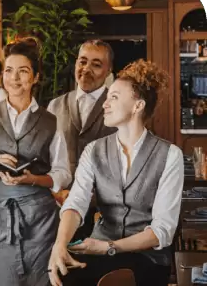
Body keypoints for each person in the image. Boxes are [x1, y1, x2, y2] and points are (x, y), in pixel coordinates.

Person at [48, 60, 182, 286]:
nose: (105, 104)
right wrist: (60, 245)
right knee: (59, 273)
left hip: (146, 257)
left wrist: (109, 247)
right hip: (98, 247)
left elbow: (162, 231)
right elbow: (76, 203)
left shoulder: (170, 155)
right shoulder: (94, 150)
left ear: (137, 106)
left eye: (114, 97)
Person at [0, 38, 71, 286]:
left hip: (40, 221)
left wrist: (33, 179)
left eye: (23, 71)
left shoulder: (50, 120)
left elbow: (62, 172)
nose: (14, 78)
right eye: (9, 70)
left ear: (36, 77)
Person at [47, 40, 116, 173]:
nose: (86, 69)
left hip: (103, 191)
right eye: (82, 62)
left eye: (96, 65)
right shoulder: (55, 105)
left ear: (108, 71)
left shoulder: (118, 106)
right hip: (61, 191)